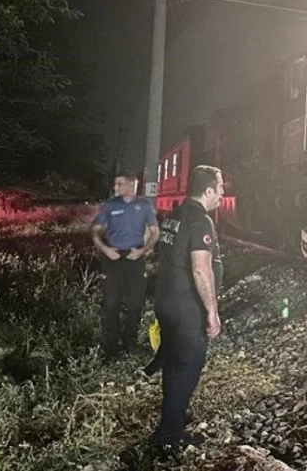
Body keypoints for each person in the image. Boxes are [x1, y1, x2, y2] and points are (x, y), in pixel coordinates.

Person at [152, 165, 224, 449]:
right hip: (186, 308)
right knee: (188, 365)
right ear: (207, 191)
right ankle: (169, 436)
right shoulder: (200, 221)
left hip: (165, 301)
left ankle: (177, 413)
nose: (222, 193)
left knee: (173, 362)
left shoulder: (175, 216)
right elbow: (200, 270)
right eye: (220, 188)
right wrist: (212, 311)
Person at [91, 171, 159, 359]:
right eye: (115, 184)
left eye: (119, 184)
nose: (116, 188)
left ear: (131, 184)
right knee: (111, 304)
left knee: (135, 303)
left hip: (135, 257)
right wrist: (105, 250)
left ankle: (130, 344)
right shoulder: (110, 205)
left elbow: (155, 232)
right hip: (113, 258)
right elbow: (95, 232)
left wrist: (142, 251)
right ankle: (112, 348)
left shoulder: (144, 206)